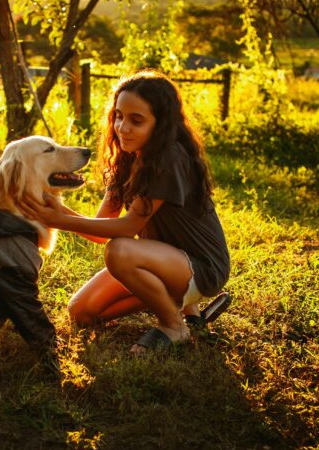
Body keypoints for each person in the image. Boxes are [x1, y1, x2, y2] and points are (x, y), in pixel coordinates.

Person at [18, 70, 231, 354]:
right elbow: (101, 227)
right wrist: (59, 209)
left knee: (119, 251)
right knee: (82, 312)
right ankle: (184, 310)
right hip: (162, 262)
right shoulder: (126, 159)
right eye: (118, 116)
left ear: (161, 124)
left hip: (202, 267)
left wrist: (57, 219)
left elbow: (126, 229)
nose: (123, 127)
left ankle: (172, 325)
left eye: (136, 120)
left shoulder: (169, 157)